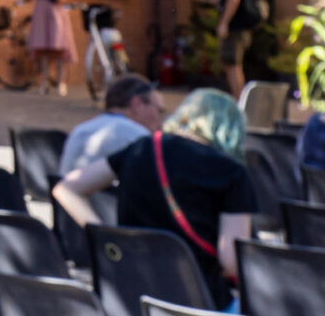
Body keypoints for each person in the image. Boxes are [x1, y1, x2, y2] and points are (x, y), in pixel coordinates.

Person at [54, 87, 256, 298]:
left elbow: (66, 189)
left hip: (131, 294)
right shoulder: (232, 172)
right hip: (198, 298)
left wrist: (105, 236)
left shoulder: (141, 148)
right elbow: (231, 263)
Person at [59, 74, 162, 176]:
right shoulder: (137, 136)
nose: (160, 119)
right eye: (159, 110)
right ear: (137, 104)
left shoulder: (79, 129)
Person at [204, 0, 267, 98]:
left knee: (232, 65)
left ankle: (238, 101)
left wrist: (223, 23)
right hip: (244, 26)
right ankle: (239, 98)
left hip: (235, 27)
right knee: (233, 64)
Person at [23, 0, 71, 96]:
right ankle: (44, 83)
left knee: (58, 49)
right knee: (42, 50)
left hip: (55, 15)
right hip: (40, 16)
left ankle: (61, 83)